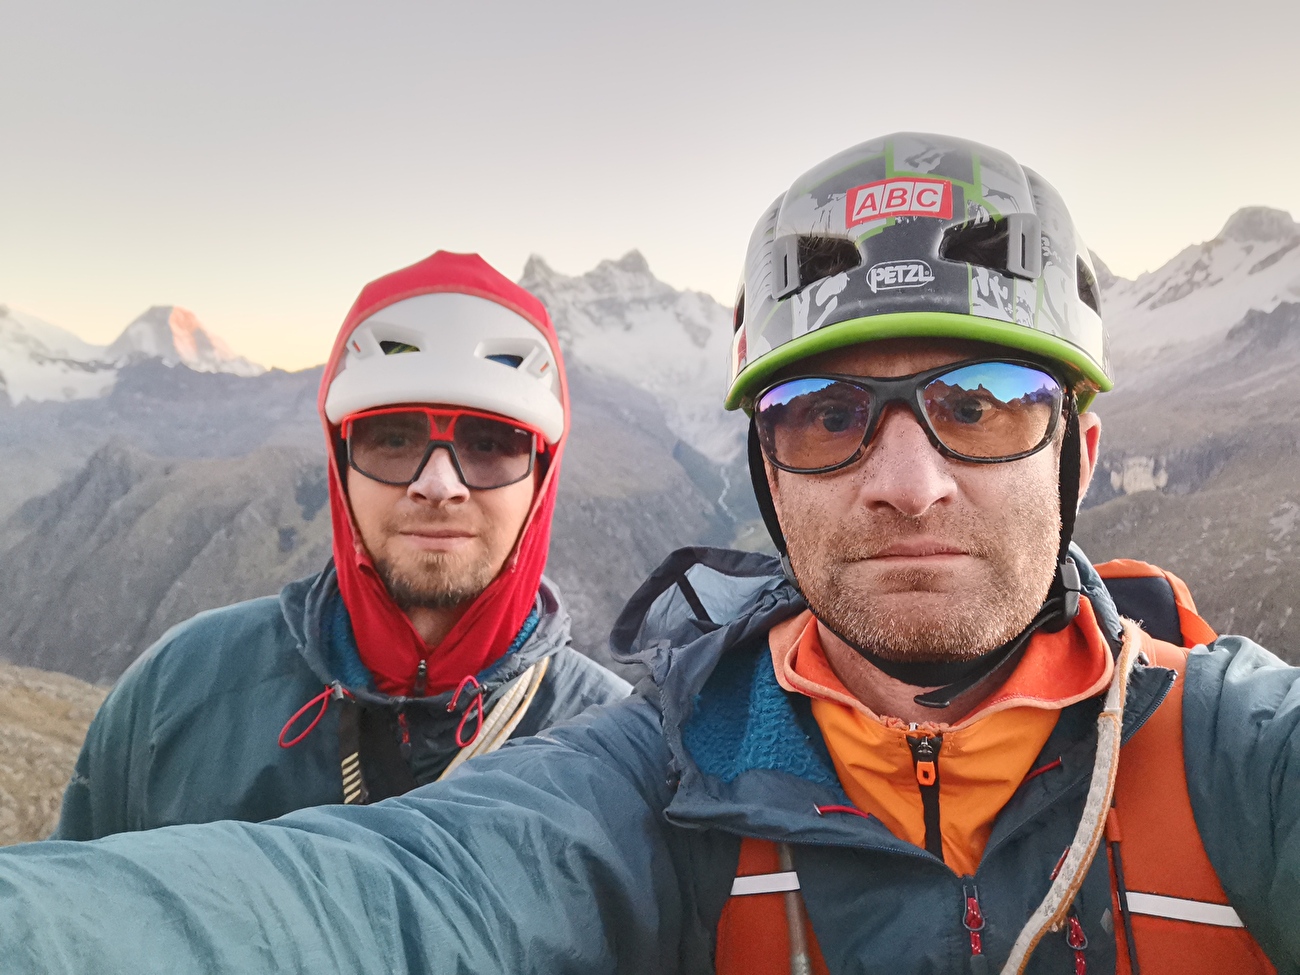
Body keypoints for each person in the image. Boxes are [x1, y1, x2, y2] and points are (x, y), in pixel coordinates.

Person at [3, 135, 1297, 975]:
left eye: (984, 399)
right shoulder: (670, 782)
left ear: (1079, 446)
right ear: (764, 468)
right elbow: (393, 892)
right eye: (829, 415)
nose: (909, 481)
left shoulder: (1235, 754)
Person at [52, 250, 629, 839]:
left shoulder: (622, 755)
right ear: (340, 464)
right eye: (394, 439)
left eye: (490, 444)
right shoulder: (176, 689)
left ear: (541, 477)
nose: (438, 485)